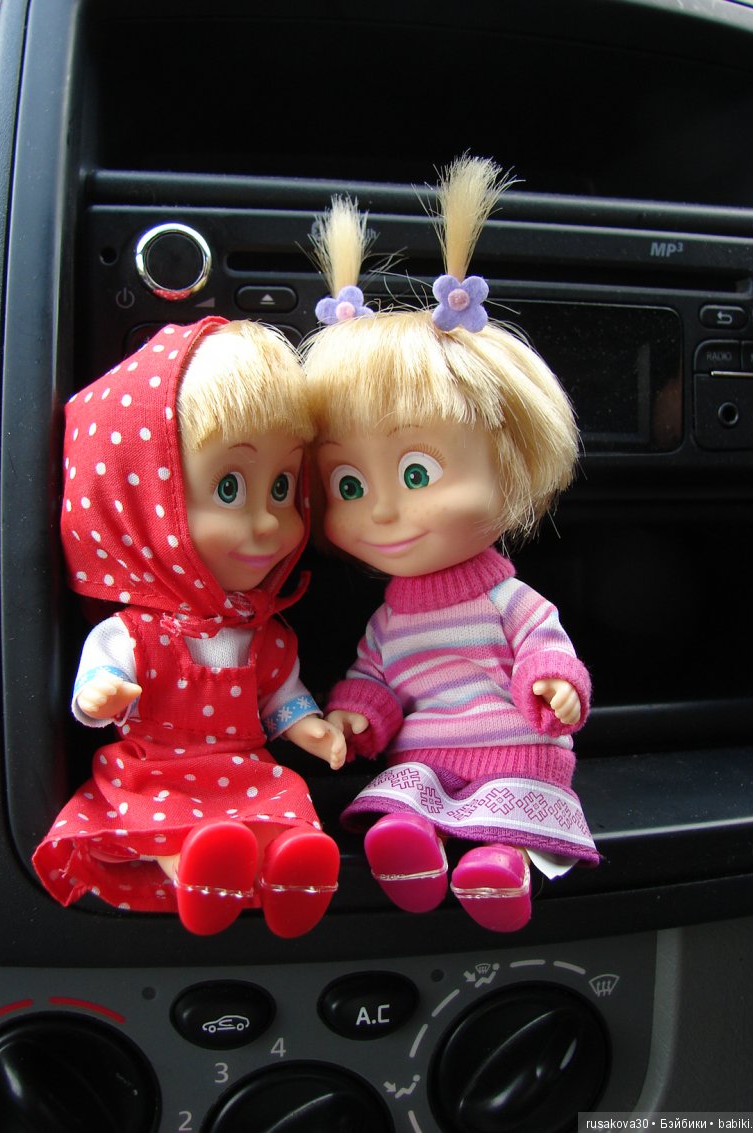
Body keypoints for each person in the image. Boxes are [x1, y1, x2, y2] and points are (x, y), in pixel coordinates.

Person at [302, 157, 598, 932]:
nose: (381, 510)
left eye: (417, 472)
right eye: (347, 484)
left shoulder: (507, 599)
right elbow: (373, 677)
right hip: (427, 755)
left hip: (513, 750)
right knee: (403, 799)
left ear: (511, 460)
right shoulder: (390, 620)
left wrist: (553, 683)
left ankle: (500, 863)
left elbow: (545, 646)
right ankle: (417, 851)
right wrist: (357, 715)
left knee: (509, 808)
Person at [33, 316, 345, 938]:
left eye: (282, 487)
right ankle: (192, 870)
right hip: (158, 768)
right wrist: (100, 695)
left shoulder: (262, 632)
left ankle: (286, 871)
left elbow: (279, 695)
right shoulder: (136, 633)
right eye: (229, 487)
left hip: (244, 765)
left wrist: (310, 729)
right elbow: (102, 674)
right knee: (169, 820)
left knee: (280, 803)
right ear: (140, 507)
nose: (268, 523)